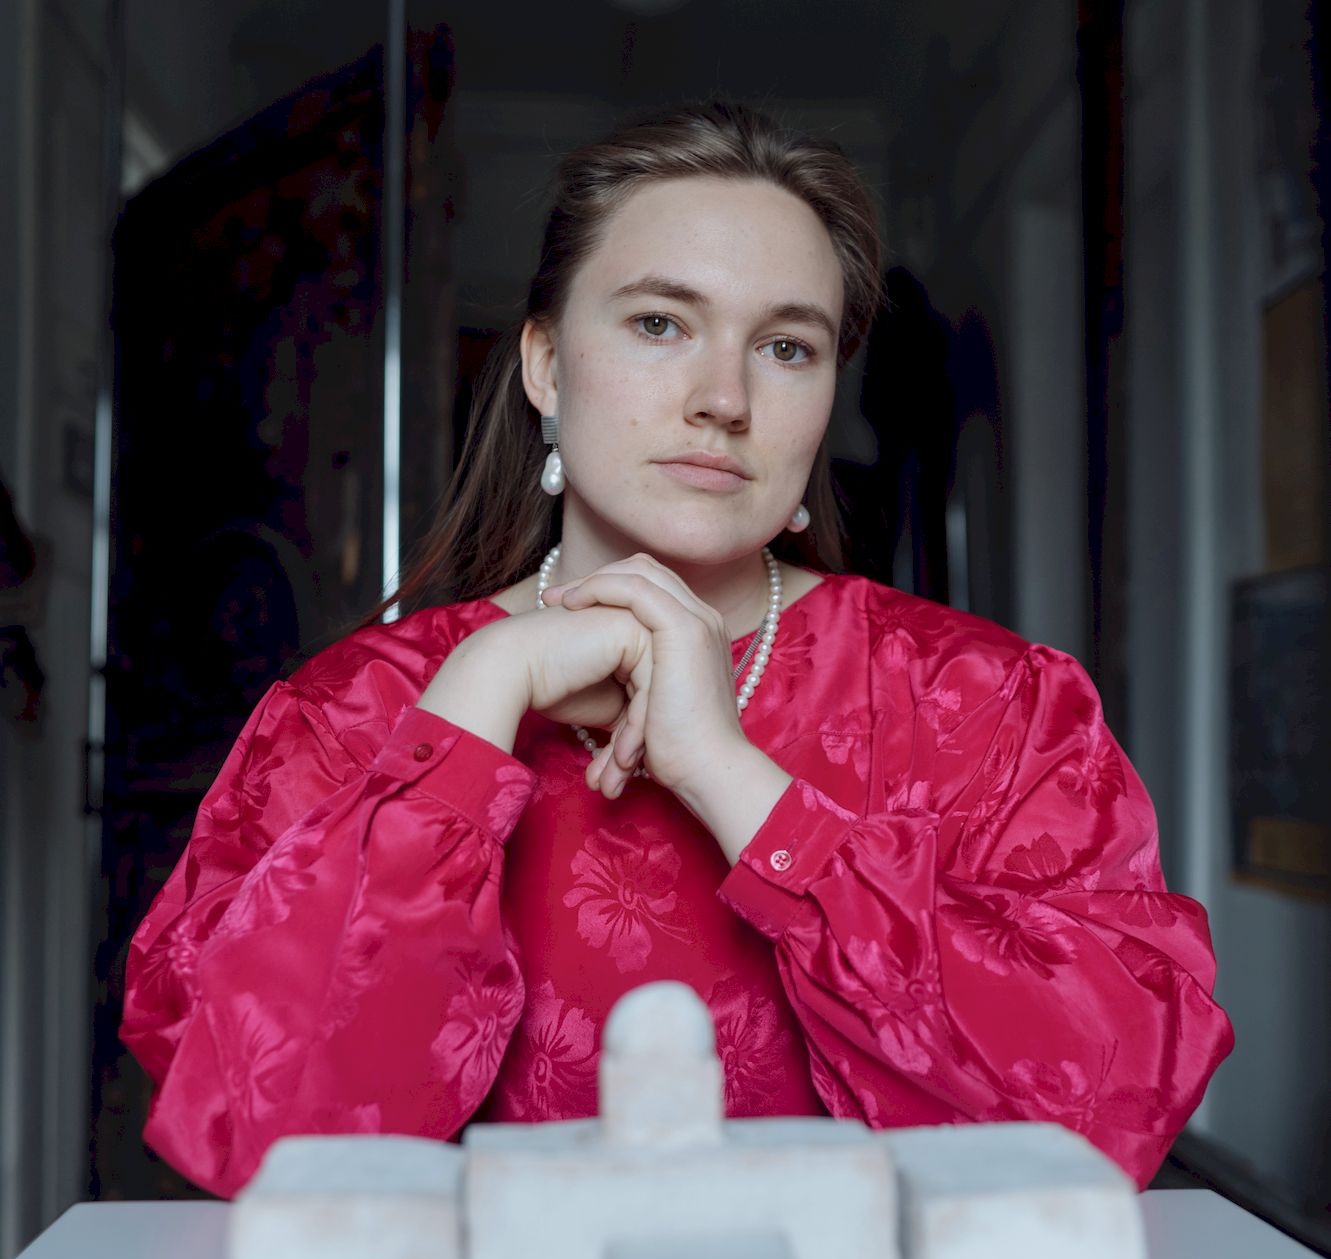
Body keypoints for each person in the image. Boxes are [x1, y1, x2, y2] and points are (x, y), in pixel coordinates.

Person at [119, 101, 1234, 1200]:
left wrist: (731, 777)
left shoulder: (983, 703)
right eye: (659, 324)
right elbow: (261, 1139)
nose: (723, 399)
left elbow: (1098, 1117)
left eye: (786, 347)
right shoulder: (352, 711)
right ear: (545, 366)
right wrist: (475, 706)